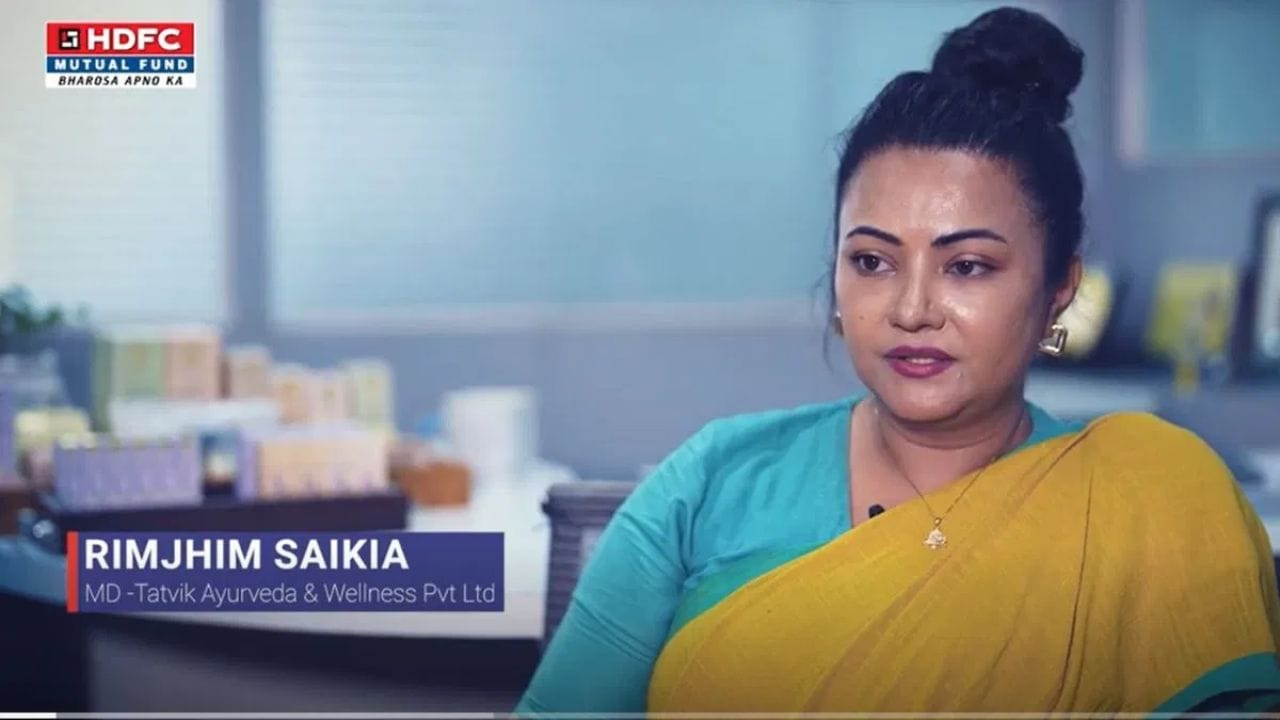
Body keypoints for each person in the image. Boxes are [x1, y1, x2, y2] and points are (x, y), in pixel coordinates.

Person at [516, 6, 1280, 714]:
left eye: (968, 266)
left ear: (1059, 290)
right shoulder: (711, 480)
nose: (911, 309)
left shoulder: (1151, 498)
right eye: (873, 262)